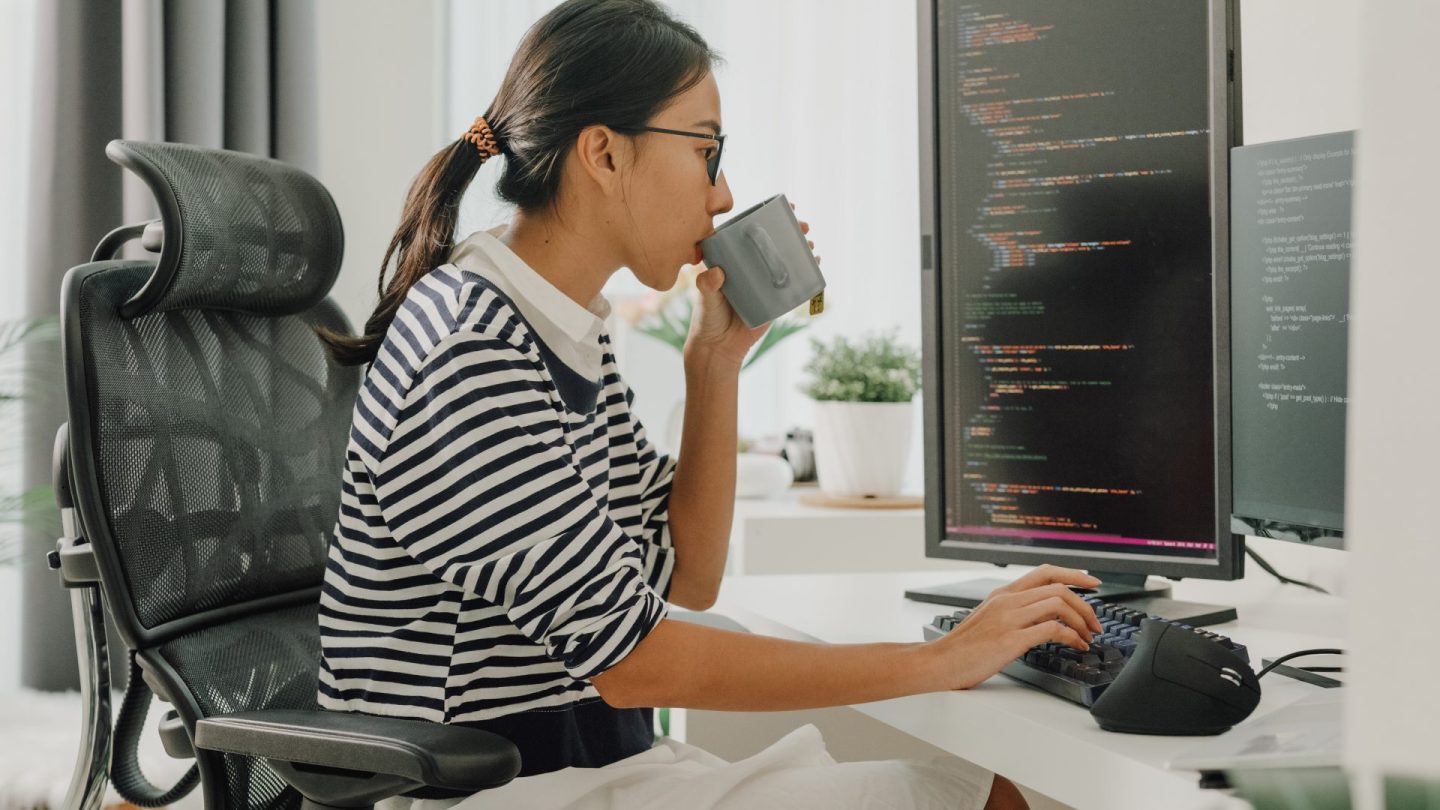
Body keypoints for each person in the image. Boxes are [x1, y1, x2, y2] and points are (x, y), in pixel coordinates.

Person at [316, 1, 1103, 807]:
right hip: (487, 787)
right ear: (604, 154)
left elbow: (688, 574)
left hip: (586, 764)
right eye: (705, 149)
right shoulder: (472, 348)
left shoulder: (561, 325)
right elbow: (637, 663)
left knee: (980, 791)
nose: (722, 194)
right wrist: (939, 659)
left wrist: (714, 365)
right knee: (973, 799)